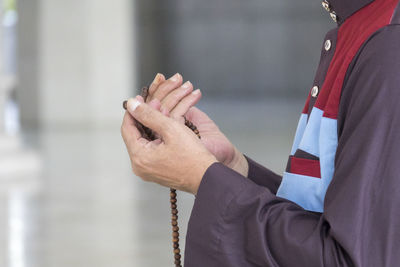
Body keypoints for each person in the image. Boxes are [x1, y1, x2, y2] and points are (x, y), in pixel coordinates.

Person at [121, 0, 400, 266]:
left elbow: (352, 259)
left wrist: (204, 177)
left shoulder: (387, 44)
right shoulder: (364, 28)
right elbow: (326, 216)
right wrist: (232, 167)